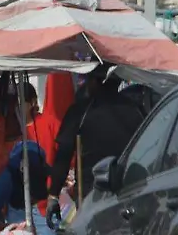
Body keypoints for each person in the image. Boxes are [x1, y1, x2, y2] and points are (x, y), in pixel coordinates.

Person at [45, 66, 147, 223]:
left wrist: (53, 195)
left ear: (94, 82)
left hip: (92, 196)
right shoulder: (135, 109)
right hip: (130, 191)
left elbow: (64, 155)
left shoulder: (81, 110)